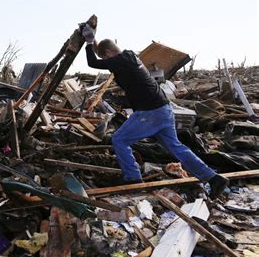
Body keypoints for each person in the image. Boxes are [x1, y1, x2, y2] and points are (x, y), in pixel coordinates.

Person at [81, 25, 229, 199]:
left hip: (150, 112)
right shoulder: (131, 58)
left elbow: (92, 63)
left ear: (108, 53)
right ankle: (213, 178)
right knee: (177, 148)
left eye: (105, 57)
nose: (107, 63)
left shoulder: (121, 60)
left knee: (119, 139)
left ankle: (133, 179)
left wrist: (89, 42)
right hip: (164, 110)